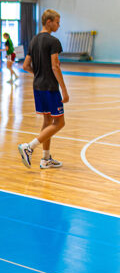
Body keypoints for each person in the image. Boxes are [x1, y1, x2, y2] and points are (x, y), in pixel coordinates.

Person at [17, 9, 69, 169]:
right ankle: (29, 147)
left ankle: (45, 158)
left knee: (48, 120)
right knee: (60, 122)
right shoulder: (53, 41)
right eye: (57, 22)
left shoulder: (33, 40)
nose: (59, 25)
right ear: (49, 22)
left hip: (38, 86)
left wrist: (37, 73)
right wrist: (64, 90)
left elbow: (25, 65)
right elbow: (55, 66)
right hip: (50, 87)